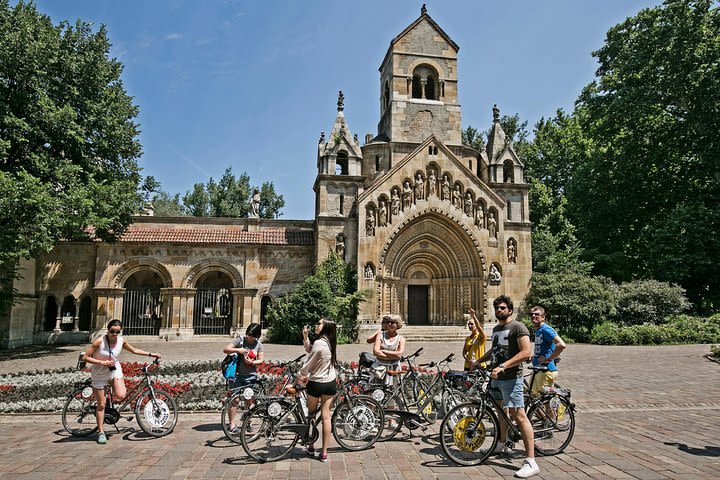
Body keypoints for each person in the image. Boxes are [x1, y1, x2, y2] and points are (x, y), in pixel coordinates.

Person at [476, 296, 539, 478]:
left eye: (502, 308)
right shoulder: (497, 329)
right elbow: (494, 350)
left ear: (510, 310)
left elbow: (526, 352)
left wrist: (503, 366)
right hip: (496, 377)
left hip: (511, 377)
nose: (499, 310)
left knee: (519, 416)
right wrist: (479, 361)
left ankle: (531, 461)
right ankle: (501, 444)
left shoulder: (518, 327)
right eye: (496, 308)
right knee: (499, 412)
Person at [82, 319, 161, 444]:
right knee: (101, 405)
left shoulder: (120, 341)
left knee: (121, 395)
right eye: (112, 331)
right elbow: (85, 357)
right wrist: (102, 362)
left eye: (117, 331)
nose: (114, 334)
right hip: (99, 374)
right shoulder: (99, 342)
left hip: (114, 370)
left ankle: (107, 404)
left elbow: (134, 350)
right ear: (107, 330)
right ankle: (101, 432)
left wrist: (151, 354)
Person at [300, 317, 338, 462]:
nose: (316, 325)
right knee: (326, 416)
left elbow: (308, 362)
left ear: (325, 327)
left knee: (311, 414)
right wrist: (305, 336)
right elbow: (311, 350)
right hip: (330, 382)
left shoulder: (320, 343)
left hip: (316, 383)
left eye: (319, 323)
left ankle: (311, 445)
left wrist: (299, 376)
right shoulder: (330, 341)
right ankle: (324, 452)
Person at [223, 323, 265, 433]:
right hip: (237, 375)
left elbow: (261, 360)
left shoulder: (258, 344)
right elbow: (226, 349)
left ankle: (247, 422)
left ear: (257, 336)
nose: (250, 337)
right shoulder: (240, 340)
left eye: (252, 336)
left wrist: (252, 362)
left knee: (249, 400)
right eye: (248, 335)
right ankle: (231, 425)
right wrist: (238, 350)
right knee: (235, 399)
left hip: (251, 376)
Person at [529, 306, 566, 396]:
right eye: (531, 314)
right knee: (533, 398)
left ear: (543, 317)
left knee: (544, 402)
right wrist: (535, 357)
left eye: (537, 314)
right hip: (538, 370)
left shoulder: (546, 329)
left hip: (546, 370)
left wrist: (548, 359)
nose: (533, 316)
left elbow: (561, 344)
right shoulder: (538, 331)